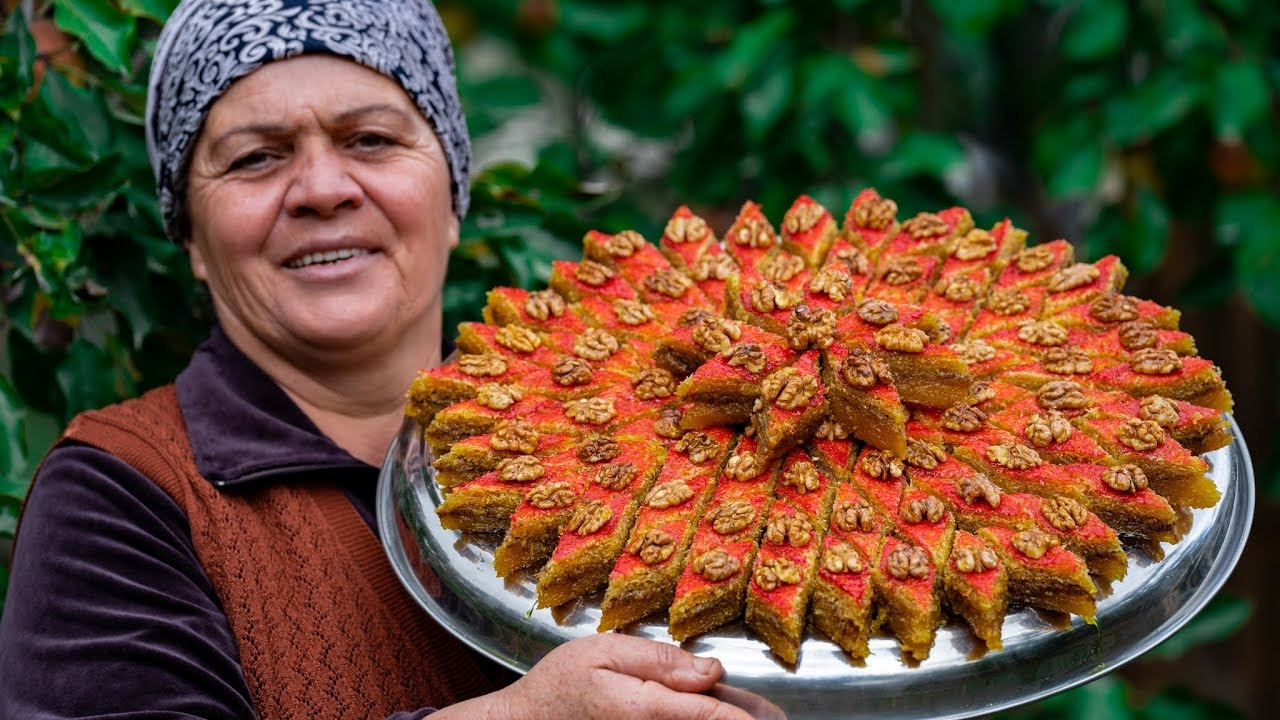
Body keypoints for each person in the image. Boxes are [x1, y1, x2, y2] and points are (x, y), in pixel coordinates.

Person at [0, 1, 785, 718]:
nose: (321, 188)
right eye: (255, 158)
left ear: (451, 200)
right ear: (192, 239)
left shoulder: (656, 445)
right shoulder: (122, 493)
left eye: (370, 139)